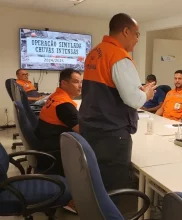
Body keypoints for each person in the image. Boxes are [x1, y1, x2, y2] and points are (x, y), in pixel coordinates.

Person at [79, 13, 155, 192]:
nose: (137, 39)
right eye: (137, 34)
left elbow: (107, 88)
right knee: (113, 186)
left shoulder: (94, 53)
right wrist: (147, 94)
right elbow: (133, 100)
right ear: (126, 31)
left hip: (91, 127)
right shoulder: (119, 57)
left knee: (95, 180)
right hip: (111, 133)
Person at [35, 68, 82, 176]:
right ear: (64, 83)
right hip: (56, 155)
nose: (80, 86)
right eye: (76, 82)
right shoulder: (64, 105)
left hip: (46, 146)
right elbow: (82, 131)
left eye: (81, 82)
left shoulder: (55, 96)